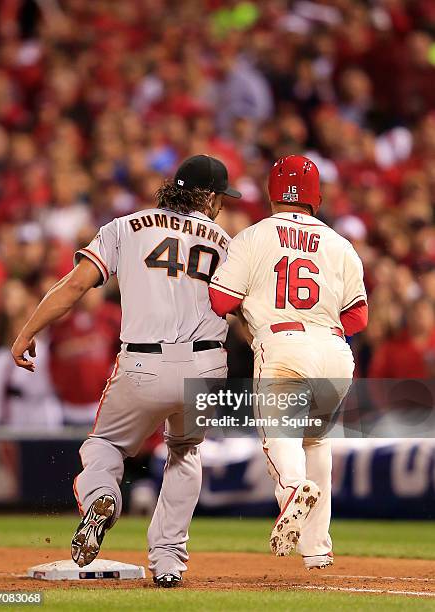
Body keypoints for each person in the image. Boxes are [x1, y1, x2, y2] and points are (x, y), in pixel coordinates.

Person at [11, 154, 241, 587]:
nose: (221, 206)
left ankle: (101, 497)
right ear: (207, 197)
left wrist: (27, 331)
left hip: (144, 362)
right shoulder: (226, 243)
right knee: (186, 451)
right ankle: (169, 563)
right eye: (221, 198)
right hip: (208, 364)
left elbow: (77, 284)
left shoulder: (125, 226)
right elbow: (243, 313)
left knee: (106, 445)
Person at [208, 155, 368, 570]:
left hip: (282, 344)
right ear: (317, 196)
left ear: (271, 192)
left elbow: (220, 300)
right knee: (317, 442)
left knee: (280, 434)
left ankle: (293, 490)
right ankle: (317, 550)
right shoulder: (340, 244)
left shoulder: (254, 236)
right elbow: (358, 317)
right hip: (334, 352)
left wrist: (256, 303)